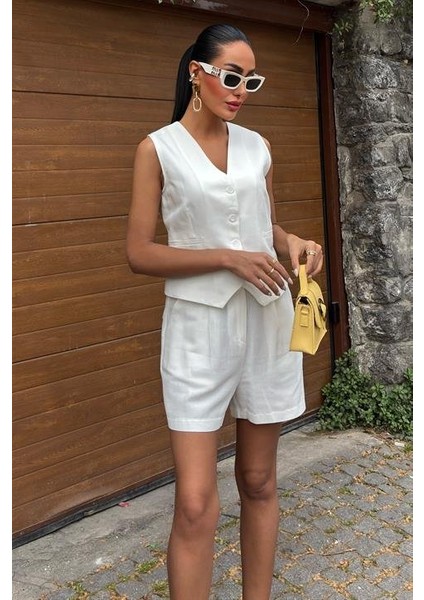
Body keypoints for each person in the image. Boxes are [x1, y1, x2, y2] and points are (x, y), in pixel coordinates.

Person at [126, 23, 323, 600]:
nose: (241, 91)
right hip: (198, 328)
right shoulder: (157, 149)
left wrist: (291, 243)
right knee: (194, 503)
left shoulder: (258, 147)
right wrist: (225, 258)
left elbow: (265, 225)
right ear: (197, 72)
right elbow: (139, 252)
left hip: (267, 319)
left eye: (250, 81)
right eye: (231, 76)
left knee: (258, 480)